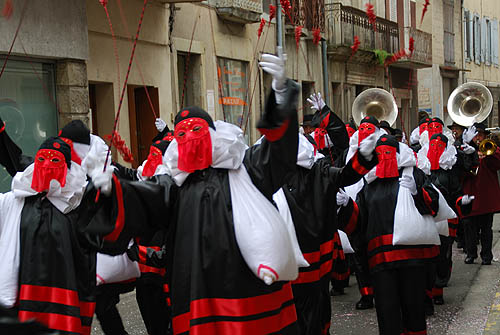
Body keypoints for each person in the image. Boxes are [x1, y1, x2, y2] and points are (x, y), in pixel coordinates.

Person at [89, 48, 303, 334]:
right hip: (197, 290)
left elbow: (279, 152)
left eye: (197, 130)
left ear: (213, 135)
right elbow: (143, 198)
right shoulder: (174, 184)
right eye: (181, 133)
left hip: (246, 289)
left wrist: (280, 95)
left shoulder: (246, 169)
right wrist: (112, 190)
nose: (189, 138)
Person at [274, 93, 377, 334]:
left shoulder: (318, 170)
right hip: (285, 263)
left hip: (315, 262)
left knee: (317, 316)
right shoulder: (270, 172)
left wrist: (365, 157)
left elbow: (346, 173)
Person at [0, 137, 122, 335]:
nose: (47, 165)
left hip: (65, 296)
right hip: (25, 295)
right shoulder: (16, 201)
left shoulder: (78, 203)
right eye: (42, 159)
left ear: (67, 167)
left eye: (55, 160)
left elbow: (100, 239)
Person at [354, 134, 440, 335]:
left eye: (389, 153)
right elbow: (359, 220)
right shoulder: (370, 182)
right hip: (381, 262)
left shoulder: (414, 175)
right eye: (380, 153)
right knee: (387, 312)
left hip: (412, 260)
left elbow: (434, 205)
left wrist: (417, 193)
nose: (385, 157)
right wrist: (344, 207)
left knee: (414, 310)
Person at [417, 133, 474, 305]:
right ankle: (425, 291)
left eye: (439, 145)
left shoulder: (450, 172)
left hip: (445, 220)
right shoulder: (419, 171)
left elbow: (456, 192)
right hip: (425, 218)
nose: (436, 148)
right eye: (433, 144)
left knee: (443, 255)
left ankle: (438, 290)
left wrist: (461, 201)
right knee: (425, 256)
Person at [462, 123, 500, 265]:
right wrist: (467, 151)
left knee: (486, 229)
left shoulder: (491, 149)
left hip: (486, 196)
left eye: (480, 135)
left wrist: (490, 151)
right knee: (470, 227)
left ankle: (486, 256)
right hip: (470, 194)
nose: (478, 138)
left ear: (485, 136)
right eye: (475, 135)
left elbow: (498, 164)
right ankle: (471, 254)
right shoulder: (465, 150)